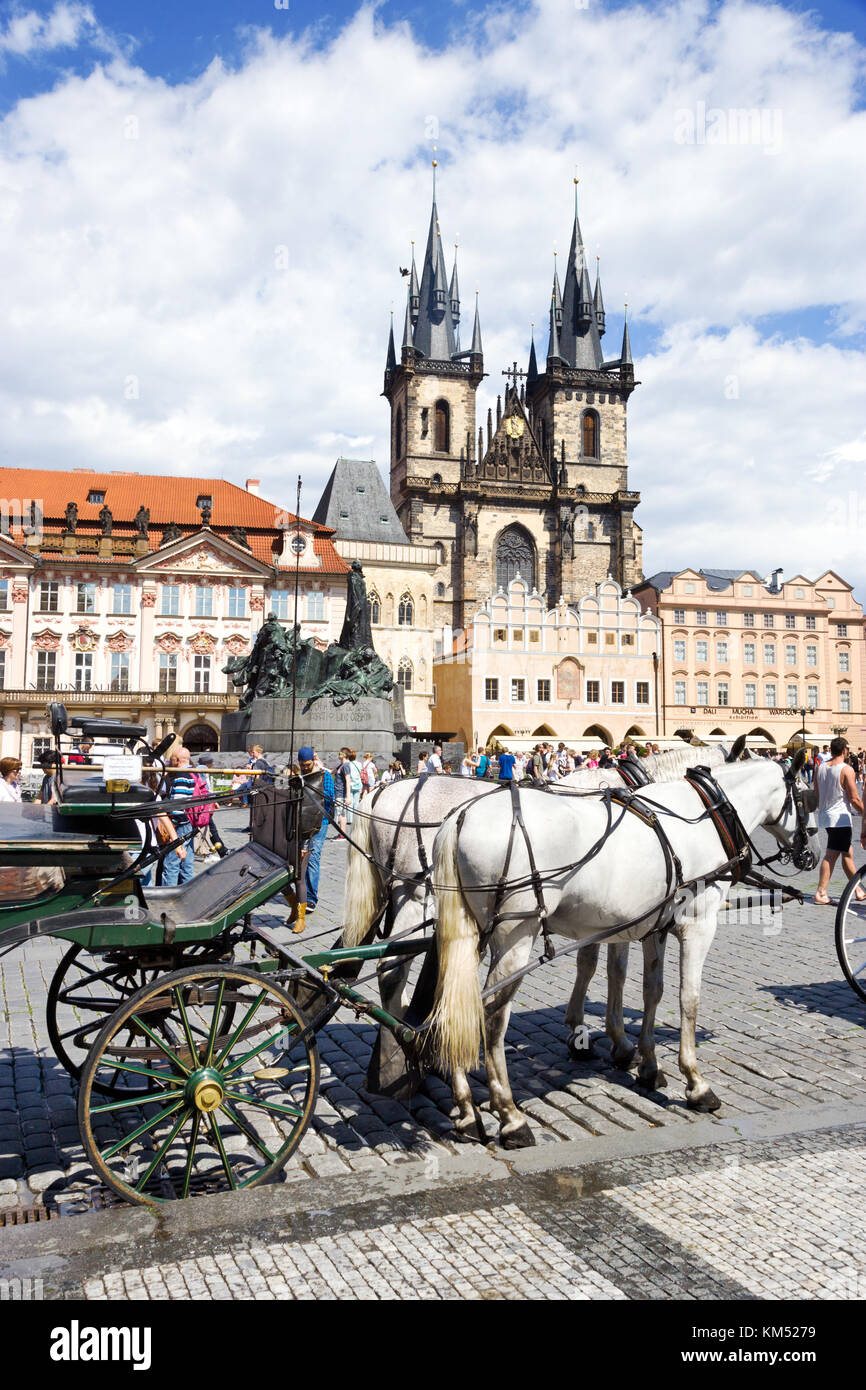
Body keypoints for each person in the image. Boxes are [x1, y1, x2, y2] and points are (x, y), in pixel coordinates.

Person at [814, 736, 865, 905]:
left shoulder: (820, 768)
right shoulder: (846, 769)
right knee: (832, 854)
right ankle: (821, 892)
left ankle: (858, 890)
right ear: (844, 751)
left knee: (846, 853)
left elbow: (816, 793)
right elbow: (854, 798)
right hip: (840, 818)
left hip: (825, 816)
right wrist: (865, 813)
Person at [299, 746, 334, 917]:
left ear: (313, 760)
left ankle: (311, 898)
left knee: (313, 857)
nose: (304, 767)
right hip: (302, 820)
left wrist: (311, 787)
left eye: (307, 764)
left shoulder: (324, 775)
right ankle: (302, 892)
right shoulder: (298, 774)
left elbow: (330, 795)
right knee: (301, 857)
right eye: (302, 765)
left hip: (321, 820)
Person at [160, 746, 196, 888]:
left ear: (178, 760)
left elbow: (178, 805)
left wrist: (172, 828)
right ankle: (188, 891)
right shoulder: (194, 773)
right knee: (187, 862)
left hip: (181, 823)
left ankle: (168, 894)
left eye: (172, 759)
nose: (171, 762)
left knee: (171, 863)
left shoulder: (181, 776)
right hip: (191, 821)